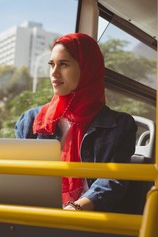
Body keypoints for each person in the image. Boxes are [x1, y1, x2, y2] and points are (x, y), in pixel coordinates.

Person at [14, 33, 138, 213]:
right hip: (40, 214)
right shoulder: (32, 120)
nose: (54, 73)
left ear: (87, 68)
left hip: (90, 219)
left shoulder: (120, 125)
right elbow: (18, 178)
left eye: (63, 64)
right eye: (51, 65)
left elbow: (112, 182)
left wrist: (72, 211)